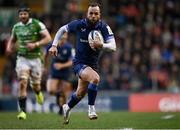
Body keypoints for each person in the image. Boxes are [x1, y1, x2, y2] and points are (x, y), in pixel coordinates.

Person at [49, 2, 116, 124]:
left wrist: (102, 45)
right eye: (91, 13)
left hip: (93, 65)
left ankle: (67, 107)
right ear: (87, 14)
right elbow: (62, 29)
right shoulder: (80, 24)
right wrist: (54, 45)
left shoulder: (104, 27)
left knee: (80, 93)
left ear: (100, 14)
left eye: (96, 13)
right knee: (95, 79)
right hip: (79, 63)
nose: (93, 16)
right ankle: (91, 109)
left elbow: (113, 46)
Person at [6, 6, 52, 120]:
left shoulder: (37, 24)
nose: (22, 16)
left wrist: (35, 44)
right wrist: (8, 47)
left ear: (28, 14)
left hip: (36, 59)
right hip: (22, 58)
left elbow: (48, 38)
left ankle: (38, 92)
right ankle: (22, 111)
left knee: (36, 85)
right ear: (19, 16)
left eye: (24, 14)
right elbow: (12, 39)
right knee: (22, 82)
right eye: (21, 14)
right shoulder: (16, 27)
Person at [45, 33, 74, 115]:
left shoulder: (69, 47)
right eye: (62, 36)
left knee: (65, 93)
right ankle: (58, 95)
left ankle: (62, 108)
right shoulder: (52, 45)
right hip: (54, 70)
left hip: (65, 71)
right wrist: (45, 66)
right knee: (50, 90)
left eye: (65, 36)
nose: (64, 37)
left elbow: (72, 61)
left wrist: (61, 65)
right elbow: (45, 55)